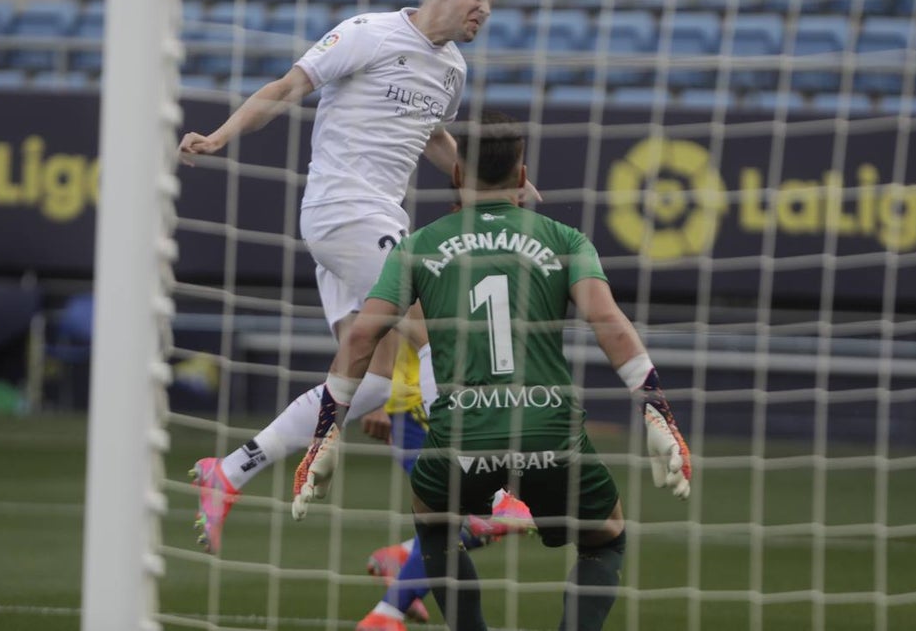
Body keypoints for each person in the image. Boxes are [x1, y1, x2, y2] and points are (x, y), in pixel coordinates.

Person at [180, 0, 538, 560]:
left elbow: (432, 136)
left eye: (491, 6)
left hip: (379, 220)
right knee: (439, 326)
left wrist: (488, 182)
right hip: (342, 208)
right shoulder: (369, 33)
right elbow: (288, 86)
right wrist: (220, 134)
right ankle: (487, 491)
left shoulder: (452, 70)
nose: (483, 11)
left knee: (370, 381)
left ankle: (232, 470)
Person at [294, 112, 692, 631]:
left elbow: (363, 337)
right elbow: (608, 322)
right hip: (549, 428)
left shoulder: (417, 246)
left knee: (434, 528)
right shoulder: (566, 240)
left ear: (456, 174)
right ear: (523, 176)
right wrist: (658, 411)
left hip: (462, 432)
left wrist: (325, 434)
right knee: (606, 536)